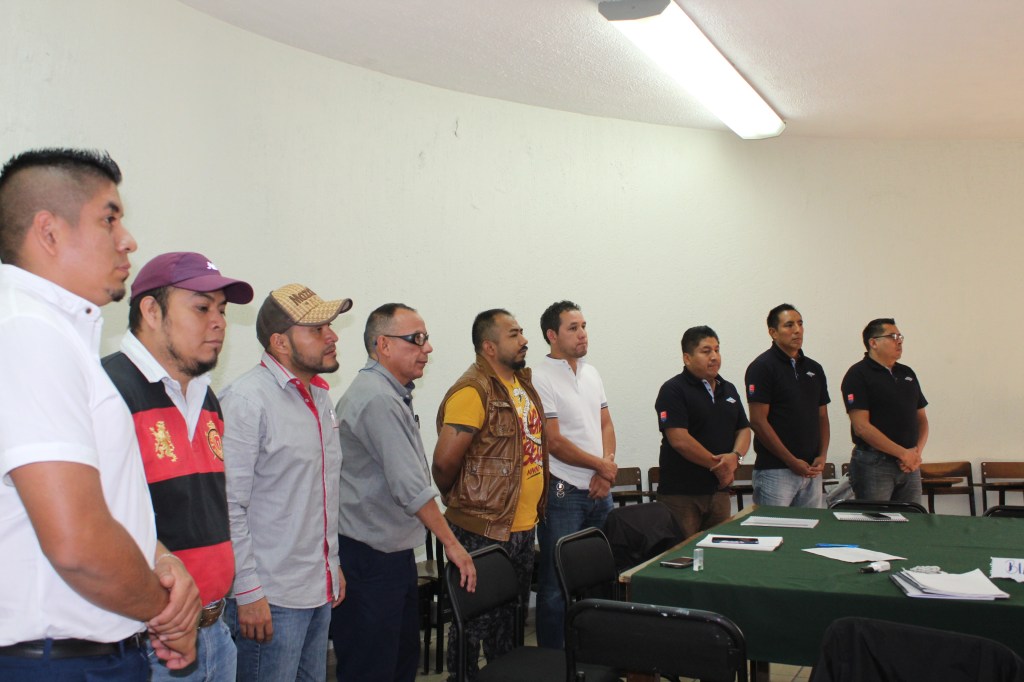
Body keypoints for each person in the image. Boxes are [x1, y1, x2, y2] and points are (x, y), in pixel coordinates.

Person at [0, 148, 200, 680]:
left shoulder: (57, 336)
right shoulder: (29, 333)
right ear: (49, 232)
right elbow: (77, 543)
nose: (127, 239)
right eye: (109, 219)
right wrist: (165, 612)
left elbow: (105, 501)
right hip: (53, 661)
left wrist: (160, 558)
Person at [103, 251, 254, 680]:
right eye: (202, 308)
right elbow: (97, 518)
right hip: (150, 641)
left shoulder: (205, 398)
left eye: (222, 310)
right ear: (152, 311)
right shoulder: (109, 391)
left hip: (215, 629)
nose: (219, 322)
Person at [331, 303, 476, 682]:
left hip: (387, 557)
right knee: (373, 667)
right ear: (383, 345)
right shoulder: (377, 398)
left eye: (426, 338)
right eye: (417, 339)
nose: (427, 348)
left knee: (398, 661)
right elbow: (411, 488)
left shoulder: (388, 393)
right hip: (368, 560)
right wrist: (452, 544)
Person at [221, 284, 351, 681]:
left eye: (329, 326)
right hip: (270, 597)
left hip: (317, 588)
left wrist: (332, 564)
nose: (332, 336)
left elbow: (319, 495)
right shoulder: (246, 401)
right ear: (279, 342)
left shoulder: (320, 398)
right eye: (317, 330)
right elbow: (228, 505)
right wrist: (247, 591)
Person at [433, 309, 548, 682]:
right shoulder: (473, 390)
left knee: (510, 622)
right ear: (489, 346)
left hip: (521, 525)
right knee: (473, 624)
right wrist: (460, 500)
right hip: (482, 527)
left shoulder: (521, 385)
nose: (524, 340)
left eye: (522, 332)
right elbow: (444, 463)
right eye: (514, 334)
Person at [530, 300, 617, 649]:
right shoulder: (540, 377)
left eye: (584, 326)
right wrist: (600, 466)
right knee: (556, 584)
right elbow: (553, 441)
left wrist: (606, 469)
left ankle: (595, 653)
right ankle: (553, 660)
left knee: (601, 576)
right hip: (562, 492)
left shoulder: (591, 372)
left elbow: (606, 424)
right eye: (573, 328)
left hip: (599, 490)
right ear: (552, 335)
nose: (582, 334)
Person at [654, 326, 751, 538]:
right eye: (706, 351)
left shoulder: (729, 389)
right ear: (687, 358)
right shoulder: (673, 390)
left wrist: (735, 458)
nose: (714, 356)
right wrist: (720, 467)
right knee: (681, 552)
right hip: (682, 495)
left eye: (717, 350)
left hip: (719, 493)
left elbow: (744, 429)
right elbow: (679, 439)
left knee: (719, 551)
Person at [745, 304, 831, 508]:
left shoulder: (814, 368)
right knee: (774, 528)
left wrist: (822, 455)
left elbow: (822, 416)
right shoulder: (762, 367)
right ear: (773, 332)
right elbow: (758, 421)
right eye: (789, 325)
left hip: (811, 470)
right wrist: (791, 461)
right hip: (776, 471)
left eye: (800, 324)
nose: (797, 330)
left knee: (810, 528)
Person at [840, 318, 928, 504]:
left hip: (909, 464)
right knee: (876, 519)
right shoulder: (858, 374)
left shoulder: (907, 373)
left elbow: (922, 419)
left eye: (900, 337)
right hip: (874, 464)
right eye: (893, 337)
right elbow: (861, 427)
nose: (899, 341)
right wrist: (903, 454)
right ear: (873, 343)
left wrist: (915, 454)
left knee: (912, 518)